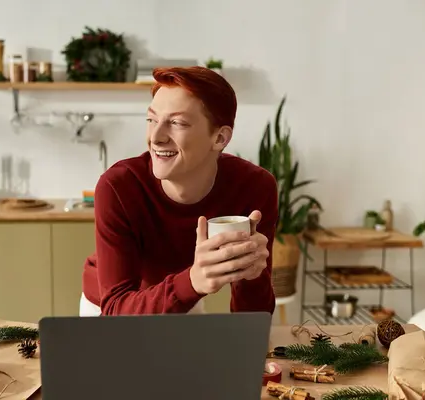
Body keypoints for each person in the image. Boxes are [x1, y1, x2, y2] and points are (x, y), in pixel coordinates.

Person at [80, 66, 278, 316]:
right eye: (151, 120)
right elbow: (116, 308)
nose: (156, 137)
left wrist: (254, 274)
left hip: (185, 297)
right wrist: (193, 282)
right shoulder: (119, 186)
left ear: (219, 138)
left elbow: (252, 318)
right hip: (111, 308)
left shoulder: (254, 188)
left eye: (177, 123)